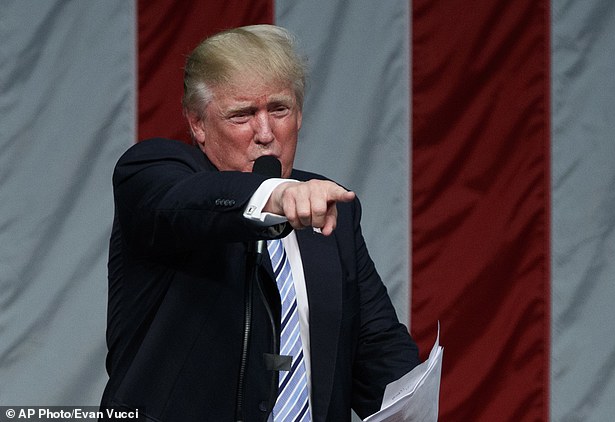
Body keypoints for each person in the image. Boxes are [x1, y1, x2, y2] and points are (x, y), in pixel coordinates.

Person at [100, 24, 420, 422]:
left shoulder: (328, 209)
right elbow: (183, 203)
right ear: (198, 124)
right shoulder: (152, 172)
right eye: (243, 115)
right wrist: (274, 195)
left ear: (300, 114)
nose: (265, 133)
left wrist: (416, 404)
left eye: (279, 109)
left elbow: (377, 349)